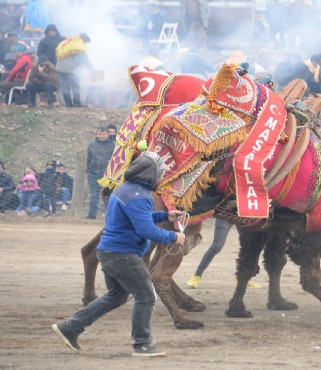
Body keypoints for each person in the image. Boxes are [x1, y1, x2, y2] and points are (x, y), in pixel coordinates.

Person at [52, 152, 186, 356]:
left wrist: (164, 215)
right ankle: (142, 344)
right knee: (146, 296)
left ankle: (70, 327)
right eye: (160, 173)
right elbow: (146, 230)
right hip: (123, 255)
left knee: (116, 296)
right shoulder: (140, 196)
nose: (161, 177)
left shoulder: (127, 189)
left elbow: (139, 216)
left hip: (109, 252)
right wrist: (173, 236)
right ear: (151, 173)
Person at [186, 218, 262, 289]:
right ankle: (197, 276)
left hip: (241, 214)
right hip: (225, 215)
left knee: (249, 245)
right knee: (217, 246)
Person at [55, 33, 95, 107]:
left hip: (60, 68)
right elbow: (84, 59)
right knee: (75, 86)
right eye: (86, 42)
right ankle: (77, 103)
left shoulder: (69, 42)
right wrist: (91, 69)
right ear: (84, 39)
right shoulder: (79, 45)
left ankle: (68, 104)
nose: (85, 44)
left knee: (65, 87)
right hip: (71, 69)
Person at [85, 127, 115, 219]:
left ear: (107, 134)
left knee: (106, 195)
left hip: (107, 174)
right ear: (97, 134)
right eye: (100, 134)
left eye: (103, 134)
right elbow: (89, 158)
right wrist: (88, 169)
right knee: (94, 194)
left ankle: (110, 215)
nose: (101, 136)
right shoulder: (92, 145)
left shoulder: (113, 145)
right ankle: (92, 214)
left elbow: (115, 159)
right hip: (93, 173)